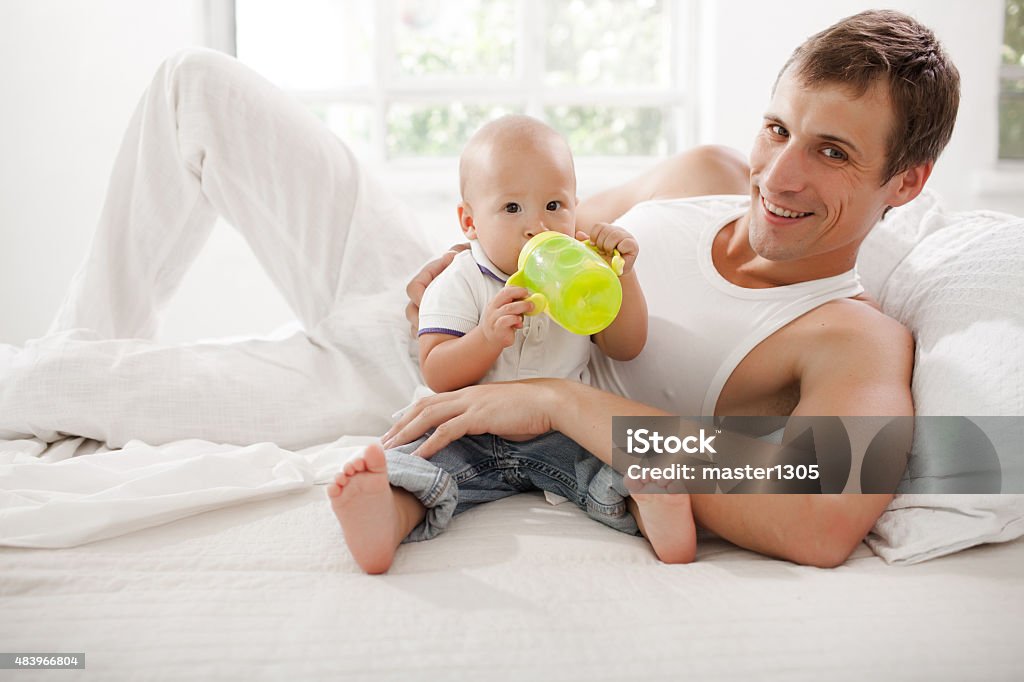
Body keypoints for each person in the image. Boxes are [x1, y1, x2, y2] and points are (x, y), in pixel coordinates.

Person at [0, 9, 959, 569]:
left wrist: (550, 396)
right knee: (193, 84)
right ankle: (83, 357)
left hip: (430, 404)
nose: (779, 175)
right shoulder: (704, 170)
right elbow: (544, 218)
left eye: (831, 152)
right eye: (778, 128)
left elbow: (822, 515)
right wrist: (455, 265)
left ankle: (64, 388)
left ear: (905, 182)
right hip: (431, 304)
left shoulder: (850, 337)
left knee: (51, 387)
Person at [326, 114, 698, 573]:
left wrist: (621, 277)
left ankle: (656, 509)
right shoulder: (458, 279)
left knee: (620, 466)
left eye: (555, 205)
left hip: (562, 435)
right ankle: (383, 517)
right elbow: (438, 373)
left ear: (577, 208)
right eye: (512, 208)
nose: (536, 225)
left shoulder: (580, 274)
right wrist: (485, 339)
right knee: (417, 464)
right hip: (467, 432)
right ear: (469, 221)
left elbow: (626, 346)